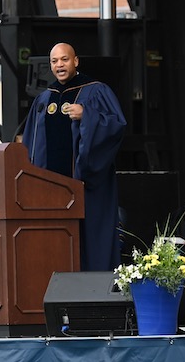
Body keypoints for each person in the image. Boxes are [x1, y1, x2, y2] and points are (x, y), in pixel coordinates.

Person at [22, 43, 127, 272]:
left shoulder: (96, 91)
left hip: (87, 187)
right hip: (50, 192)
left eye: (64, 59)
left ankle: (94, 296)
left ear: (76, 61)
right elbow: (30, 143)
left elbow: (116, 127)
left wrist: (87, 115)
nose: (59, 65)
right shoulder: (43, 100)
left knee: (89, 240)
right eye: (54, 61)